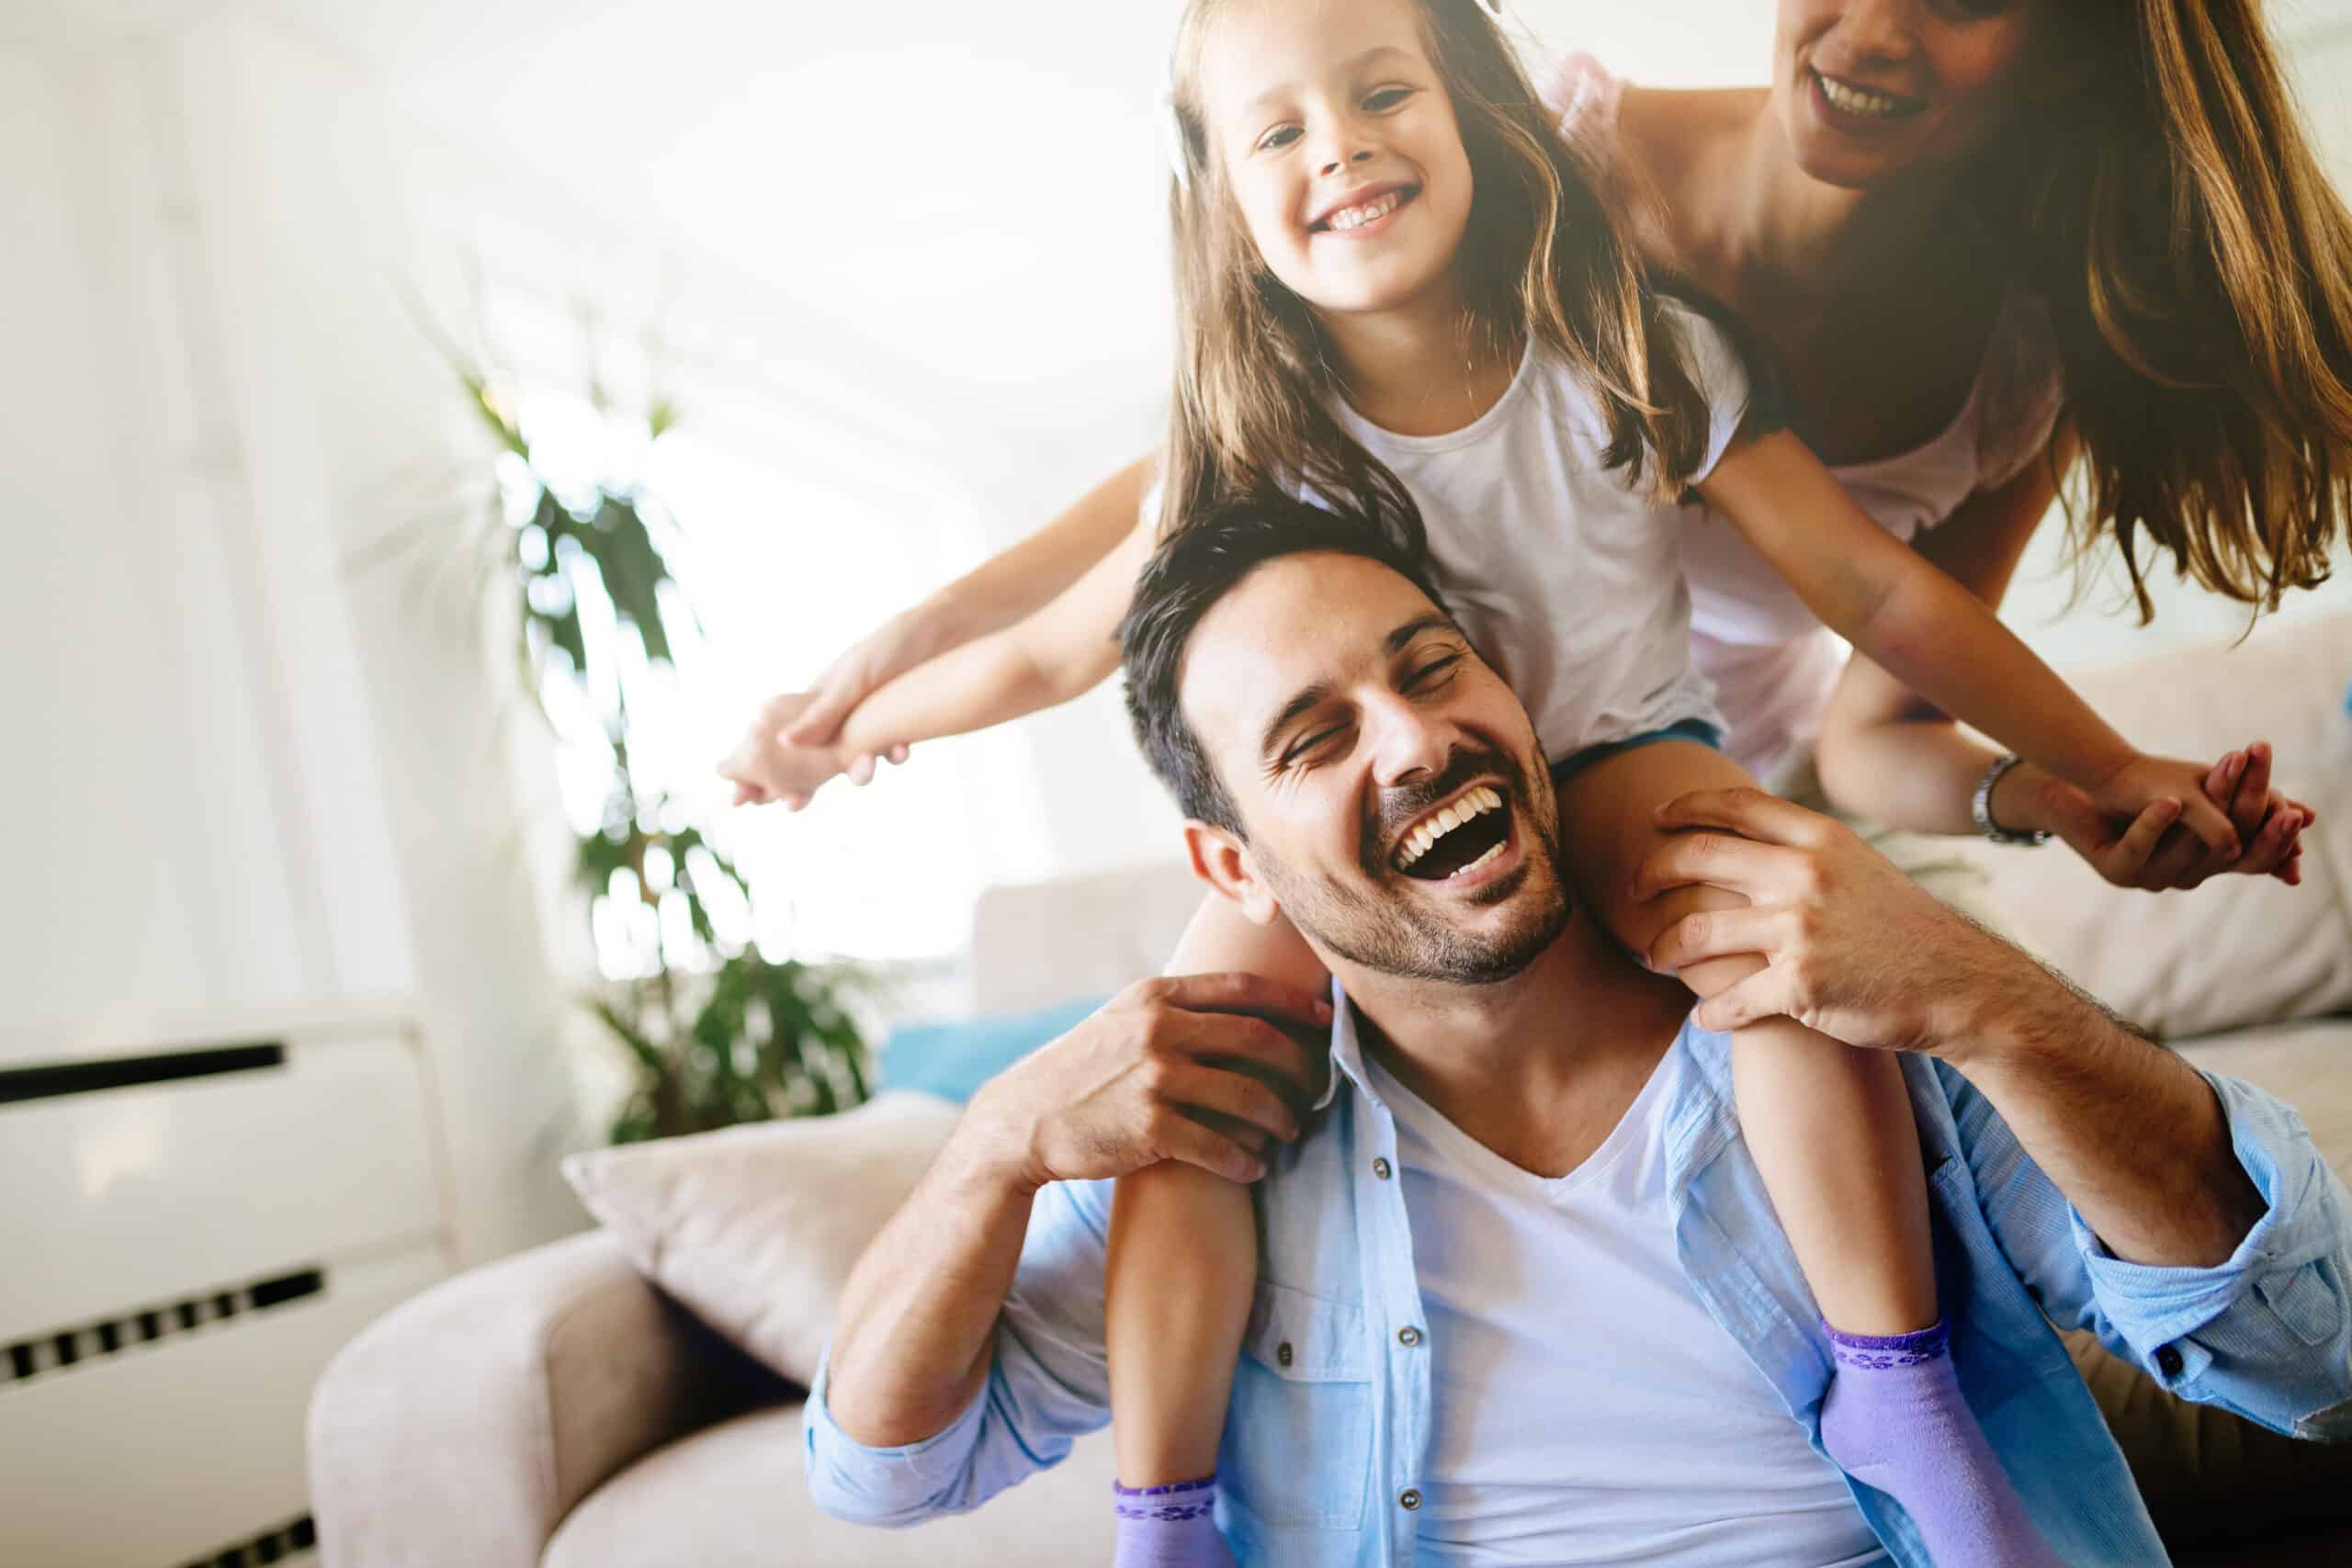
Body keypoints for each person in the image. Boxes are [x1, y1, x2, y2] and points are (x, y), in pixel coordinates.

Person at [723, 3, 2309, 1565]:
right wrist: (854, 726)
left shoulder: (1629, 342)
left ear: (1476, 109)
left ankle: (1894, 1387)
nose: (1338, 147)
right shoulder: (1256, 434)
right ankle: (1168, 1514)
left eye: (1380, 92)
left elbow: (1882, 599)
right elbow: (1044, 655)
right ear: (1221, 195)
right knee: (1188, 1087)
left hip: (1627, 753)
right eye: (1277, 130)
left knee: (1772, 948)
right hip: (1402, 848)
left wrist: (2101, 768)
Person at [805, 505, 2352, 1568]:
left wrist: (1983, 997)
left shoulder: (1838, 1018)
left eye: (1429, 668)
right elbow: (883, 1472)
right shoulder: (1217, 1140)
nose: (1415, 740)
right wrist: (990, 1151)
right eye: (1315, 736)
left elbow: (2306, 1350)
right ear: (1232, 865)